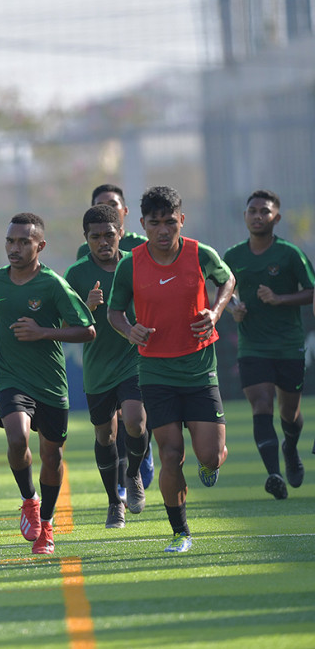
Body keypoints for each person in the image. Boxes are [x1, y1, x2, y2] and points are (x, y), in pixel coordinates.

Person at [107, 186, 234, 553]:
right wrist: (129, 330)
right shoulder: (131, 263)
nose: (163, 230)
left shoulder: (200, 253)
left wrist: (216, 312)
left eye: (170, 222)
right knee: (170, 454)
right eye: (155, 223)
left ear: (182, 220)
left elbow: (227, 280)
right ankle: (181, 533)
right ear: (142, 224)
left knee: (209, 454)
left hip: (199, 369)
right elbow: (114, 312)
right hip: (156, 373)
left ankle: (210, 464)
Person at [0, 212, 95, 555]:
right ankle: (29, 500)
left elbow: (87, 330)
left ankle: (47, 524)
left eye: (24, 242)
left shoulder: (52, 284)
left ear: (40, 246)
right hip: (11, 377)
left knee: (51, 457)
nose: (15, 248)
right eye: (10, 241)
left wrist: (42, 332)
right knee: (16, 438)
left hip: (50, 383)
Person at [223, 189, 313, 499]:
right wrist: (233, 308)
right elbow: (222, 291)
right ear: (245, 216)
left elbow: (311, 290)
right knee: (261, 404)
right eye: (253, 211)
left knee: (290, 413)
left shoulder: (289, 253)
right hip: (252, 346)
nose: (258, 216)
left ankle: (290, 448)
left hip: (288, 345)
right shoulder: (233, 256)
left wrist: (279, 299)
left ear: (277, 218)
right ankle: (274, 474)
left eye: (265, 211)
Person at [64, 205, 149, 528]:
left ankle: (133, 474)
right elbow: (63, 326)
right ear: (86, 238)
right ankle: (115, 502)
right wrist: (85, 308)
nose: (103, 242)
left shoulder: (137, 265)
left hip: (134, 360)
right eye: (95, 237)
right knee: (105, 435)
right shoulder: (76, 274)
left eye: (109, 235)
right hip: (98, 367)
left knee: (135, 422)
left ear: (120, 234)